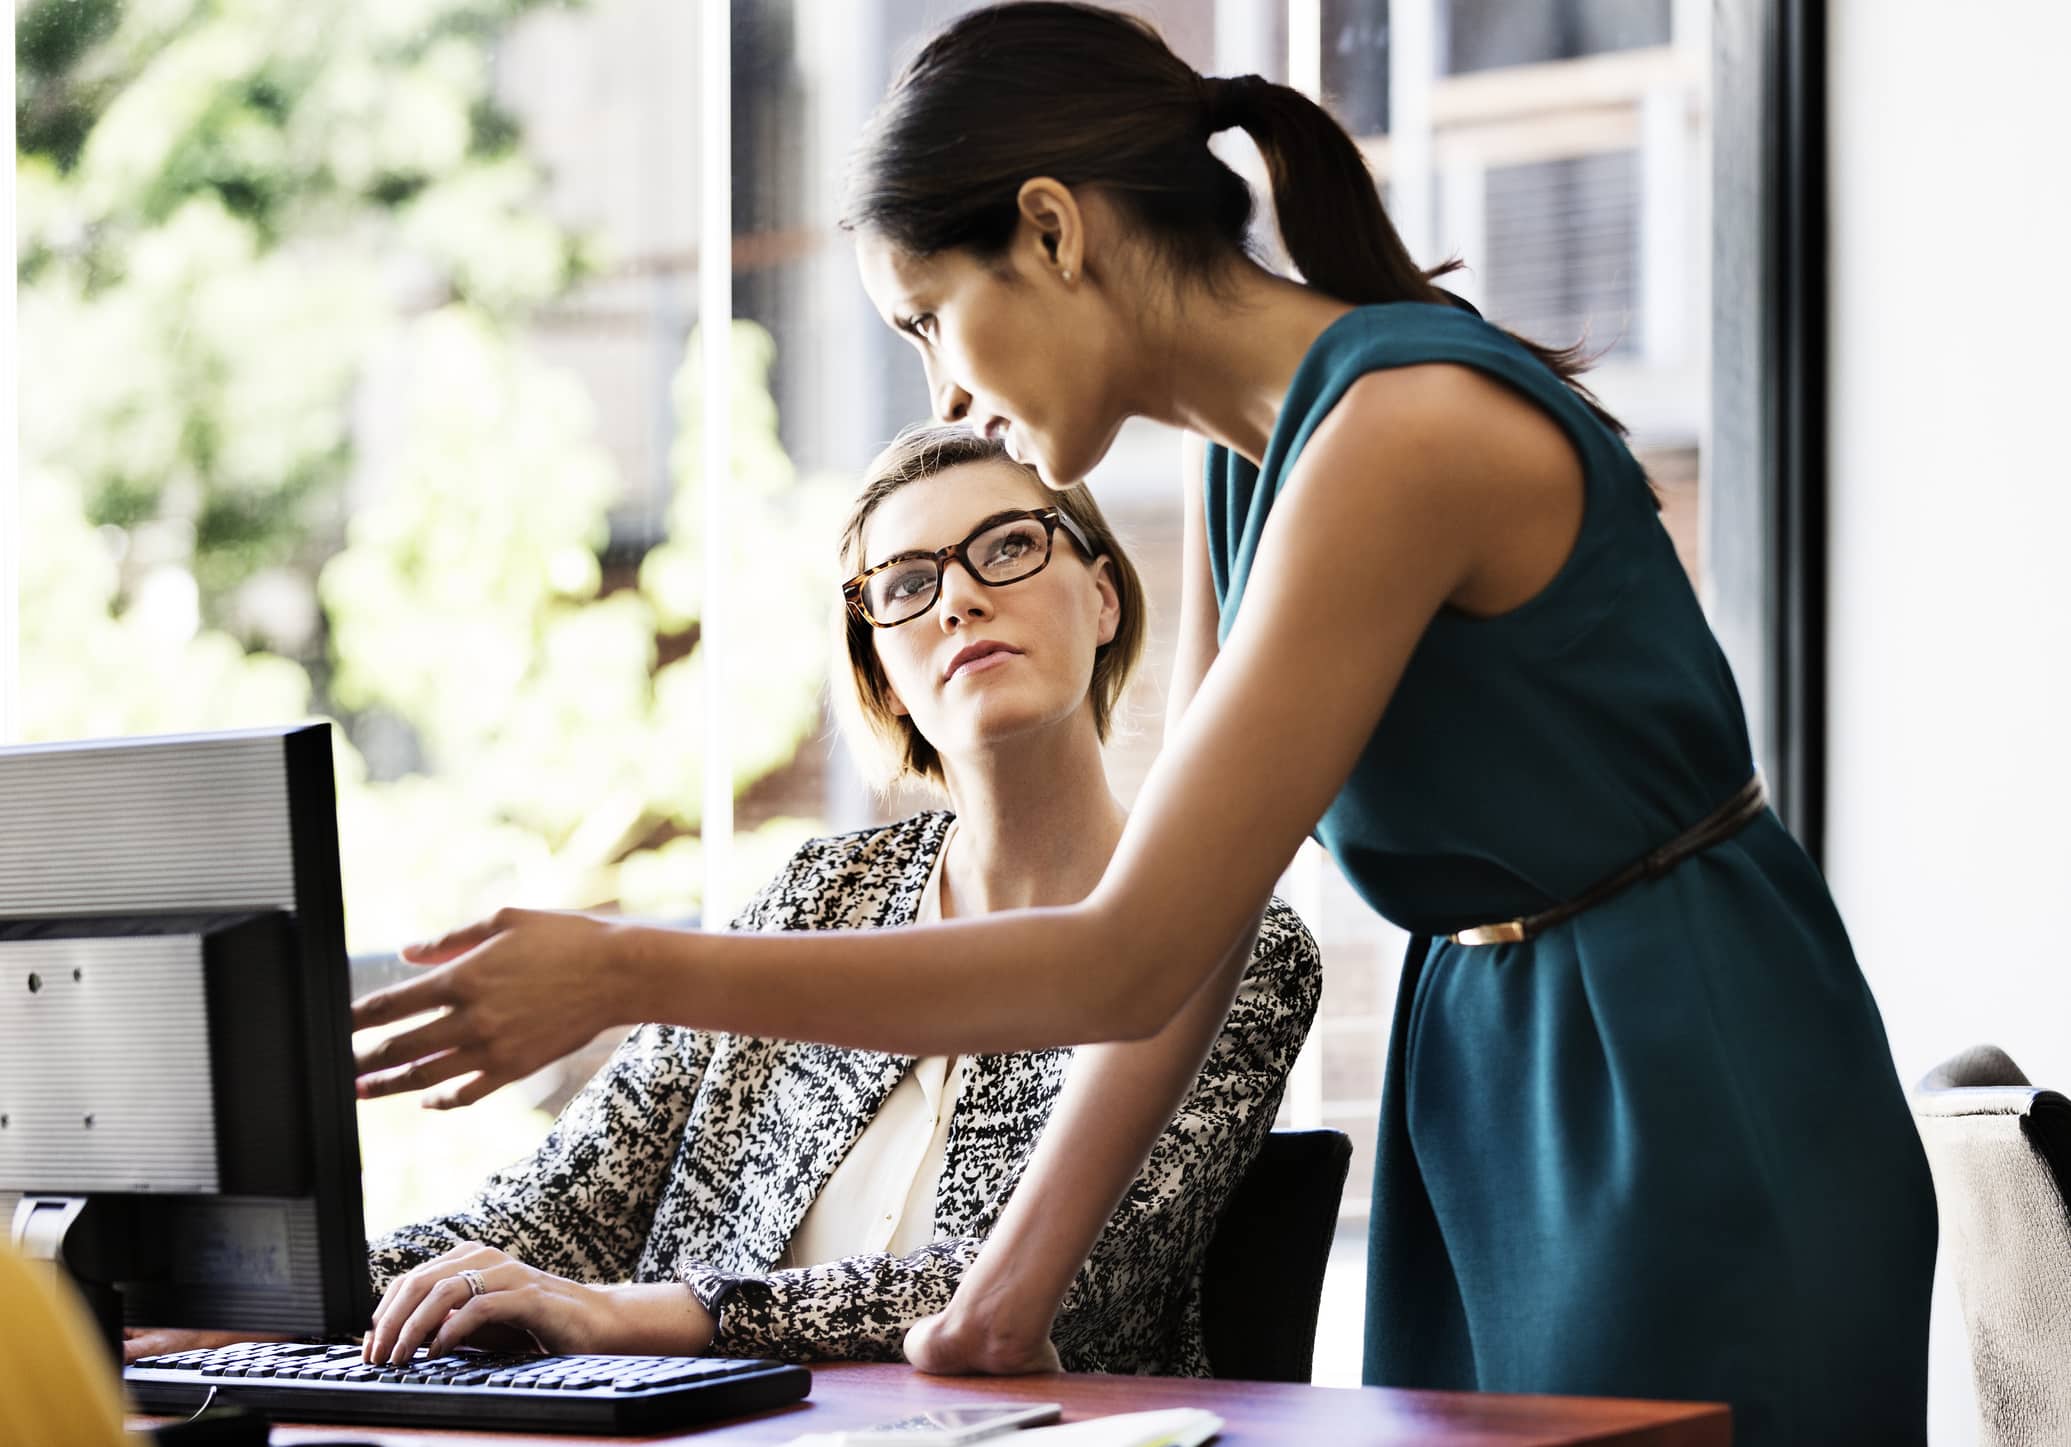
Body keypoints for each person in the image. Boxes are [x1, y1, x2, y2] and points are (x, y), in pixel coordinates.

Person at [351, 4, 1936, 1438]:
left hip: (1673, 1067)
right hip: (1492, 1070)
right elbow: (1194, 912)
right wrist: (1005, 1291)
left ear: (1047, 231)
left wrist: (626, 965)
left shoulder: (1399, 433)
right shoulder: (1269, 463)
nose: (942, 401)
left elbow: (1125, 952)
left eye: (926, 319)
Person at [124, 427, 1319, 1376]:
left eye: (1008, 547)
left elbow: (1070, 1287)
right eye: (906, 583)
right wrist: (258, 1312)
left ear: (1104, 594)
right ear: (881, 672)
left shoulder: (1238, 942)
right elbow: (555, 1213)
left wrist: (640, 1316)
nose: (958, 599)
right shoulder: (810, 899)